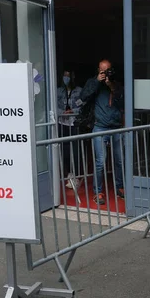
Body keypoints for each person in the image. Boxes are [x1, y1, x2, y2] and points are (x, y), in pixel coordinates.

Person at [80, 59, 125, 204]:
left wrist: (110, 85)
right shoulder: (93, 83)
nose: (105, 74)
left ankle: (120, 187)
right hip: (100, 126)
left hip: (116, 127)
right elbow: (83, 96)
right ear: (98, 71)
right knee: (100, 161)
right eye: (102, 71)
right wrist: (96, 82)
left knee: (119, 160)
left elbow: (122, 100)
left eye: (107, 71)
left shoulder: (116, 84)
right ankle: (98, 192)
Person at [57, 70, 84, 188]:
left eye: (68, 76)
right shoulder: (58, 91)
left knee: (76, 150)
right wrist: (62, 112)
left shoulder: (79, 91)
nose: (66, 78)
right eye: (65, 76)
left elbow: (83, 105)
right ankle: (69, 174)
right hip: (62, 123)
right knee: (65, 150)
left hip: (74, 123)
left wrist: (73, 111)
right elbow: (52, 104)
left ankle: (77, 175)